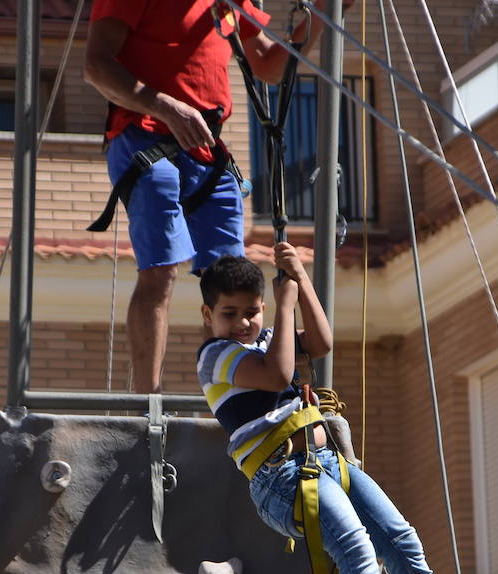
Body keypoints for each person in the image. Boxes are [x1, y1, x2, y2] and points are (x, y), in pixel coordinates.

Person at [195, 243, 498, 574]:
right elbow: (276, 372)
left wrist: (301, 283)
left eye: (252, 312)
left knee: (398, 536)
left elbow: (322, 343)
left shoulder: (269, 336)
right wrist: (284, 307)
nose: (244, 323)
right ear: (208, 315)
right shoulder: (215, 356)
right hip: (281, 480)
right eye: (230, 313)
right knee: (356, 547)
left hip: (326, 464)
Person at [84, 0, 327, 393]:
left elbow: (267, 63)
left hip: (205, 148)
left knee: (230, 279)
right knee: (161, 269)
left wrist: (323, 15)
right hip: (144, 133)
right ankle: (148, 402)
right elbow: (96, 65)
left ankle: (231, 394)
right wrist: (165, 106)